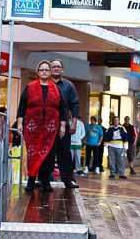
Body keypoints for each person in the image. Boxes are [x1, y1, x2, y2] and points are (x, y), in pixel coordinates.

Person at [17, 60, 66, 192]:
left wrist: (62, 125)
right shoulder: (30, 87)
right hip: (33, 128)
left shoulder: (56, 89)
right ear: (38, 72)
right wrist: (20, 122)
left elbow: (62, 108)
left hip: (51, 128)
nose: (44, 72)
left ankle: (45, 181)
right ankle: (31, 181)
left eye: (47, 70)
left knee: (49, 155)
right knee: (33, 154)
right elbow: (22, 106)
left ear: (50, 72)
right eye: (42, 70)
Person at [50, 58, 80, 188]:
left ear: (62, 69)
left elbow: (75, 105)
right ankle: (45, 178)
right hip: (46, 125)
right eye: (53, 66)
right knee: (47, 152)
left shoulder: (68, 85)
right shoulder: (44, 83)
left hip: (63, 124)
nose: (56, 68)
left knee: (65, 152)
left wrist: (74, 123)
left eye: (58, 66)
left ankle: (68, 179)